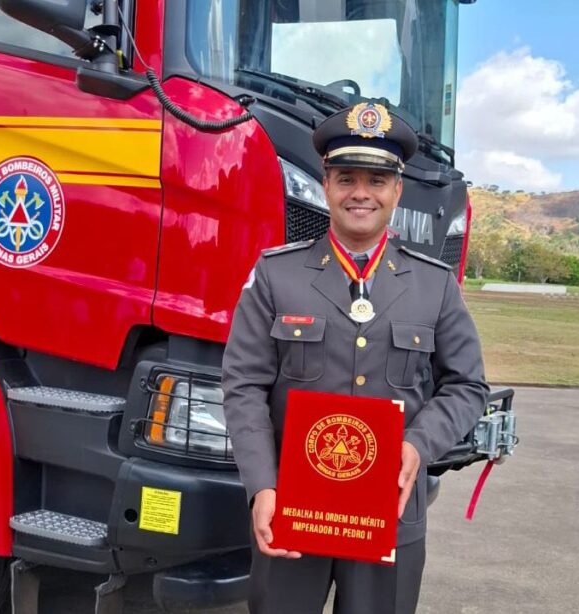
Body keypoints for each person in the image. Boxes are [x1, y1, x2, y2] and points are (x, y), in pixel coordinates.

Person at [222, 102, 489, 614]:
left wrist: (417, 445)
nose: (361, 193)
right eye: (346, 178)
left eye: (377, 180)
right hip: (291, 512)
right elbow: (243, 385)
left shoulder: (434, 286)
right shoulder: (278, 276)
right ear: (326, 186)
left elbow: (467, 386)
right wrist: (261, 486)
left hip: (389, 516)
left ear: (397, 191)